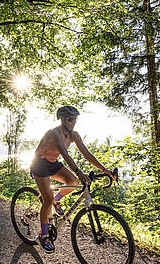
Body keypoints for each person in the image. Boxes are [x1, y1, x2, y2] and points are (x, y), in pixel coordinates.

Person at [30, 105, 115, 253]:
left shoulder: (74, 135)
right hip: (39, 164)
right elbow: (65, 154)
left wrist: (104, 170)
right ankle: (43, 235)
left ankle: (56, 199)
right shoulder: (55, 133)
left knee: (73, 182)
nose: (73, 122)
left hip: (53, 163)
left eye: (75, 119)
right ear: (62, 120)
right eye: (70, 119)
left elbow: (87, 154)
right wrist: (79, 171)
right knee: (47, 200)